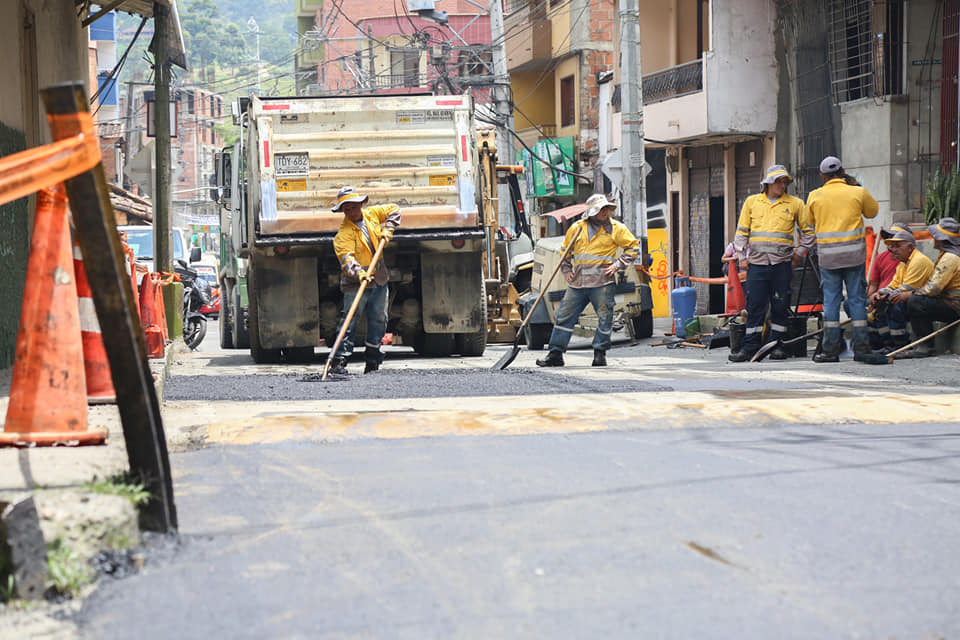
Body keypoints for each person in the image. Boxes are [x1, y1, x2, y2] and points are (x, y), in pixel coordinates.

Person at [536, 193, 640, 367]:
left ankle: (600, 354)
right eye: (601, 209)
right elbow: (565, 251)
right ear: (592, 212)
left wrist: (617, 265)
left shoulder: (616, 229)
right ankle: (555, 354)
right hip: (578, 283)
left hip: (602, 283)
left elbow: (633, 248)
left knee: (605, 318)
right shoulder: (577, 228)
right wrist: (566, 269)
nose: (605, 212)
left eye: (607, 208)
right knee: (563, 317)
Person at [728, 165, 814, 362]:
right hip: (757, 264)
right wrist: (741, 257)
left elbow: (809, 233)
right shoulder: (752, 202)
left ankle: (777, 346)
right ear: (768, 183)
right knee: (755, 305)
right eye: (778, 181)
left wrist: (799, 253)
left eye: (785, 182)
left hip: (781, 264)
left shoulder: (795, 204)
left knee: (780, 305)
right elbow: (742, 232)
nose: (782, 185)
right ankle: (750, 347)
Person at [800, 156, 880, 363]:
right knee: (856, 301)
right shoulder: (857, 192)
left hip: (828, 259)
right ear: (843, 171)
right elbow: (872, 211)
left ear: (822, 176)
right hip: (854, 257)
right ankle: (862, 347)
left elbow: (808, 221)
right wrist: (856, 187)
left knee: (832, 302)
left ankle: (830, 350)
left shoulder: (815, 196)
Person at [329, 186, 400, 374]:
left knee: (379, 318)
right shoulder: (343, 233)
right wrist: (358, 273)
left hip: (379, 278)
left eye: (353, 207)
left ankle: (373, 359)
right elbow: (346, 257)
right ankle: (340, 360)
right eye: (346, 209)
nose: (351, 212)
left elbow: (394, 209)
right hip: (356, 281)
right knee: (350, 318)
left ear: (361, 204)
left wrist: (389, 229)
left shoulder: (372, 215)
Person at [896, 217, 960, 358]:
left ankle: (925, 347)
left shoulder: (950, 257)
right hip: (950, 303)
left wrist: (911, 294)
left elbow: (933, 289)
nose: (933, 239)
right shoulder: (946, 255)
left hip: (955, 306)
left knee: (916, 302)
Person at [866, 225, 933, 353]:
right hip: (906, 297)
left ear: (910, 247)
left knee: (891, 302)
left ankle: (900, 343)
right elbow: (894, 284)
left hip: (918, 300)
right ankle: (886, 343)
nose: (893, 250)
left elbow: (906, 288)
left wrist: (884, 296)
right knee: (881, 301)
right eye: (892, 246)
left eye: (897, 246)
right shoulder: (903, 263)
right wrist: (879, 293)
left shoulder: (918, 261)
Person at [865, 225, 903, 349]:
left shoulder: (909, 259)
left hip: (895, 295)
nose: (891, 243)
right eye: (888, 238)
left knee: (887, 303)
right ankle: (873, 343)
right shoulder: (881, 257)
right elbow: (873, 285)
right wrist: (870, 299)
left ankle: (892, 342)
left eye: (895, 240)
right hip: (880, 294)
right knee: (852, 304)